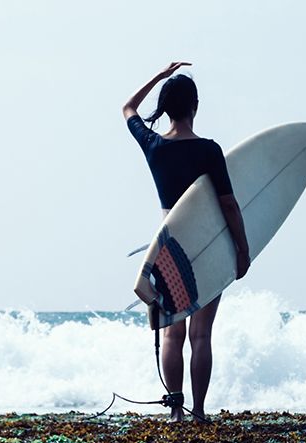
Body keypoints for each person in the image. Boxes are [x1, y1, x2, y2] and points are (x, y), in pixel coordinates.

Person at [123, 61, 251, 423]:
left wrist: (158, 77)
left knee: (172, 334)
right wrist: (242, 250)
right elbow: (228, 204)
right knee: (201, 334)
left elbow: (128, 108)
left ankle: (175, 411)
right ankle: (198, 412)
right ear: (195, 106)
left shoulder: (153, 146)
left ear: (166, 108)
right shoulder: (210, 151)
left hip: (169, 250)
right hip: (207, 244)